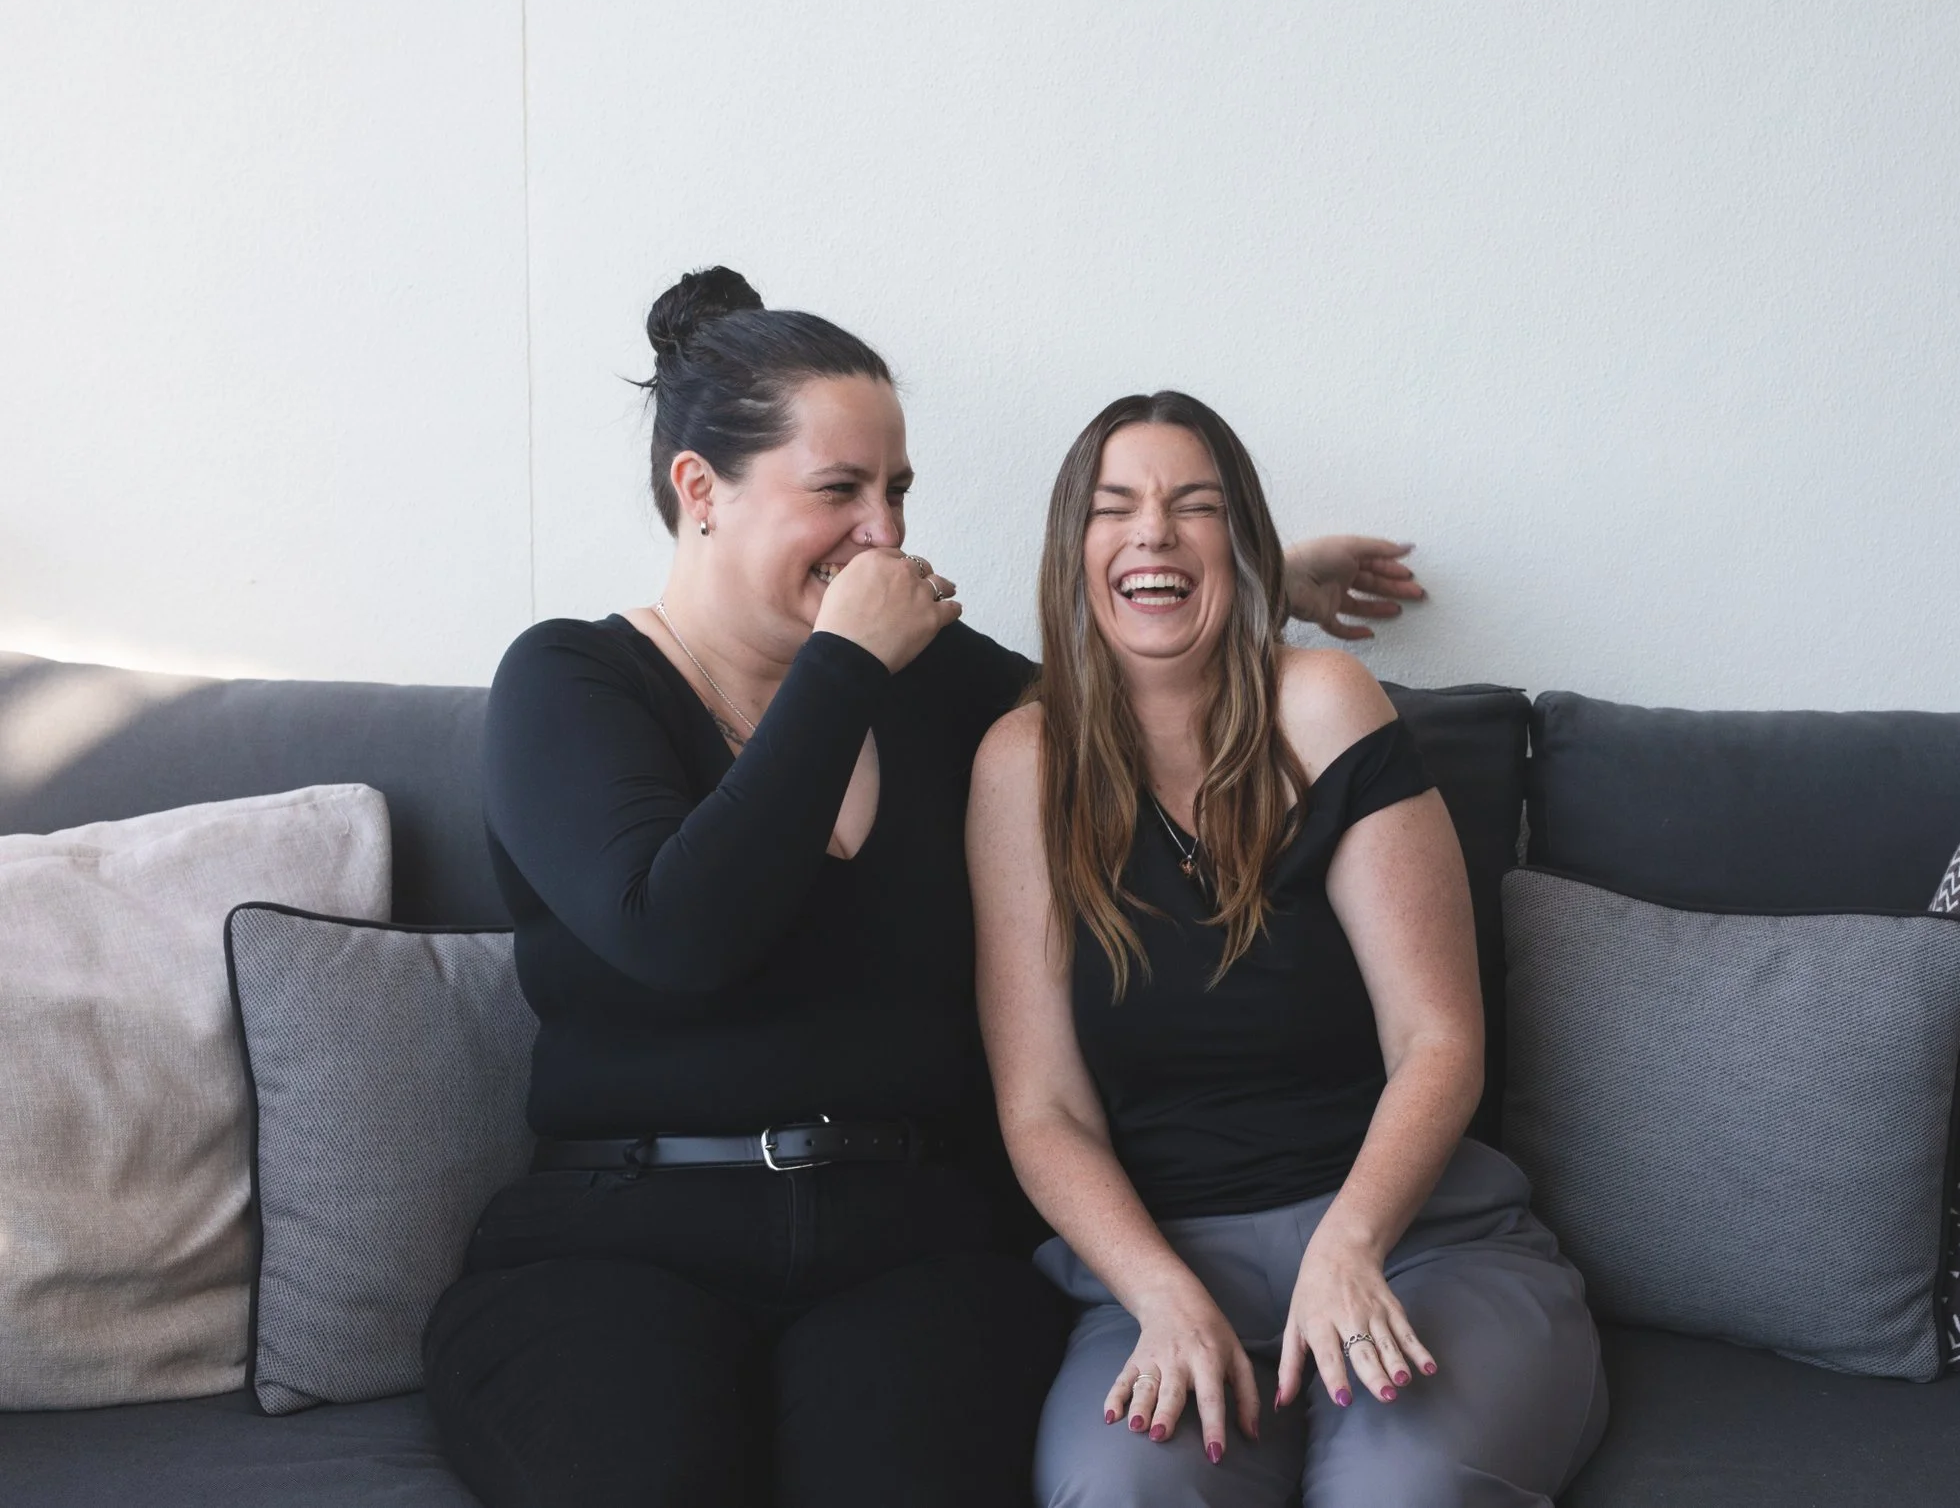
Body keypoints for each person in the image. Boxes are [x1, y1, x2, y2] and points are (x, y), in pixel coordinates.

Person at [420, 271, 1428, 1508]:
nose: (884, 534)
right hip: (619, 1237)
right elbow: (677, 930)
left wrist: (1249, 576)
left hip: (904, 1247)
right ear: (700, 490)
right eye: (839, 491)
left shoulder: (936, 680)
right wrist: (841, 665)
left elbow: (1122, 688)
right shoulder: (571, 683)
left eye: (896, 491)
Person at [969, 391, 1607, 1506]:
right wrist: (1160, 1296)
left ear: (1241, 544)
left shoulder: (1322, 705)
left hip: (1410, 1236)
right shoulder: (1021, 766)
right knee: (1118, 1493)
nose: (1154, 531)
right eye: (1115, 507)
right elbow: (1043, 1110)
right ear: (1074, 551)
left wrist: (1349, 1242)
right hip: (1159, 1267)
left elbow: (1436, 1034)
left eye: (1194, 506)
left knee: (1398, 1493)